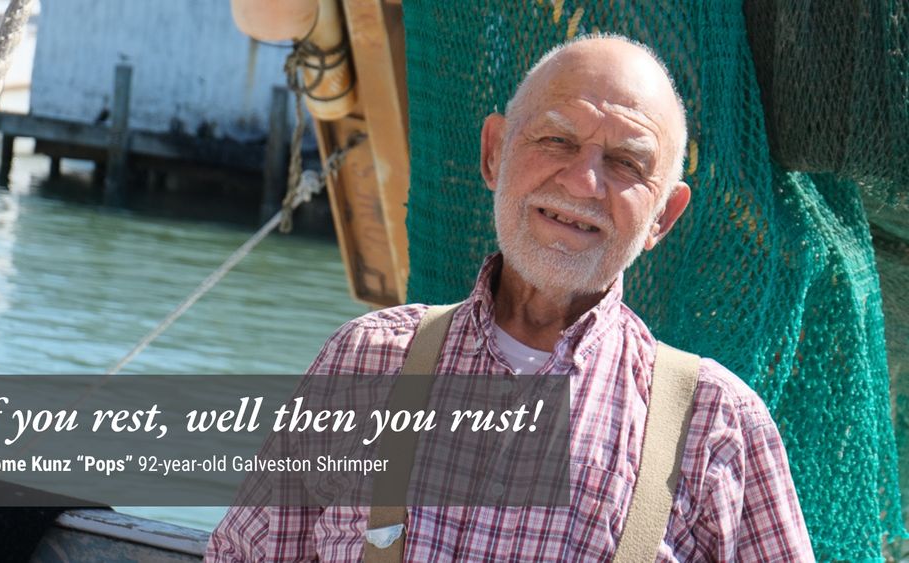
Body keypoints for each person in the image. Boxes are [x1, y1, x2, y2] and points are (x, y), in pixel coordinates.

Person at [207, 34, 815, 561]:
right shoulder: (364, 360)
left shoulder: (717, 424)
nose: (583, 182)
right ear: (494, 152)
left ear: (664, 216)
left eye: (627, 162)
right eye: (556, 140)